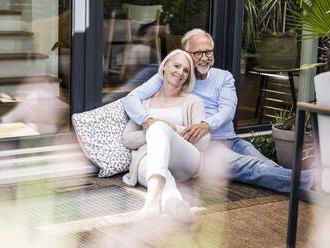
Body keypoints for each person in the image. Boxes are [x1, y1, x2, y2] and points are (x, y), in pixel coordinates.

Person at [123, 28, 313, 193]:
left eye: (208, 52)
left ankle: (308, 186)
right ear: (187, 54)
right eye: (198, 53)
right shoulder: (175, 75)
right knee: (254, 168)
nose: (204, 58)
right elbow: (132, 98)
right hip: (207, 147)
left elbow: (228, 111)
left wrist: (206, 124)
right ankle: (314, 179)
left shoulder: (224, 77)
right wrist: (147, 120)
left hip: (231, 140)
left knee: (267, 166)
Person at [122, 49, 210, 223]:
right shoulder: (144, 105)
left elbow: (204, 141)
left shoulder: (193, 102)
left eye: (186, 70)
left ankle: (151, 202)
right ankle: (173, 202)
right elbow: (128, 139)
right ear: (164, 67)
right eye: (176, 66)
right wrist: (157, 133)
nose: (180, 73)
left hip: (184, 160)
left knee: (157, 127)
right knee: (159, 169)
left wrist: (169, 129)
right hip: (148, 160)